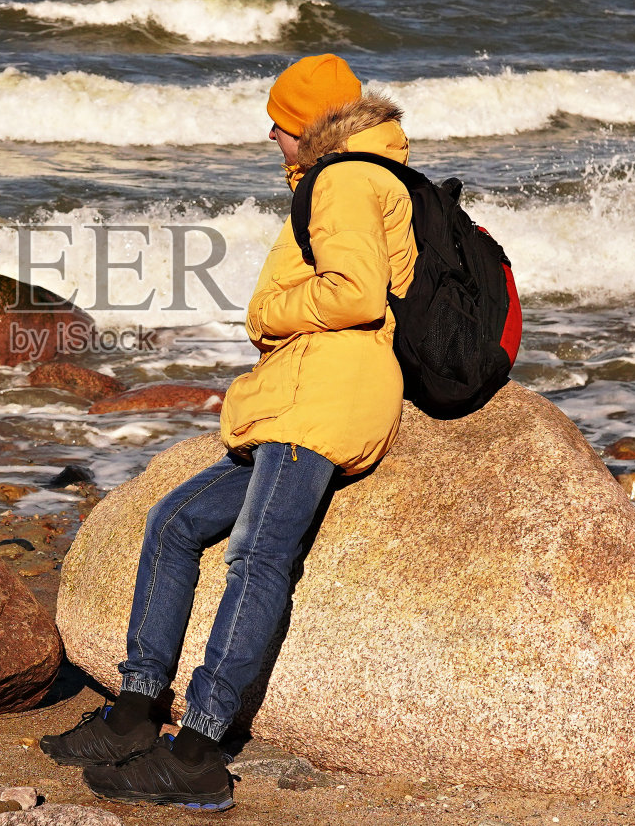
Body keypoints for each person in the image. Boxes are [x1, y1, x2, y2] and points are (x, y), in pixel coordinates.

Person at [40, 54, 418, 810]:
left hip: (325, 399)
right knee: (174, 521)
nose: (272, 134)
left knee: (257, 557)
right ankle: (135, 714)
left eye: (280, 120)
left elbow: (356, 292)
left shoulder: (343, 178)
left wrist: (264, 315)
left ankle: (200, 753)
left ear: (312, 122)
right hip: (303, 394)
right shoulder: (353, 174)